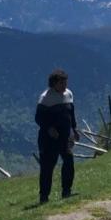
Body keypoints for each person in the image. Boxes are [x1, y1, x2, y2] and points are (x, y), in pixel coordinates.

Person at [35, 69, 78, 203]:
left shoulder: (68, 94)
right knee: (47, 167)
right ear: (54, 83)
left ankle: (66, 191)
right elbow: (38, 118)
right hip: (49, 139)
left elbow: (71, 114)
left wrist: (75, 129)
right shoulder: (45, 98)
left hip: (65, 136)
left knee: (69, 163)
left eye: (65, 82)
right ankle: (44, 197)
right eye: (62, 83)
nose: (65, 85)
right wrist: (49, 128)